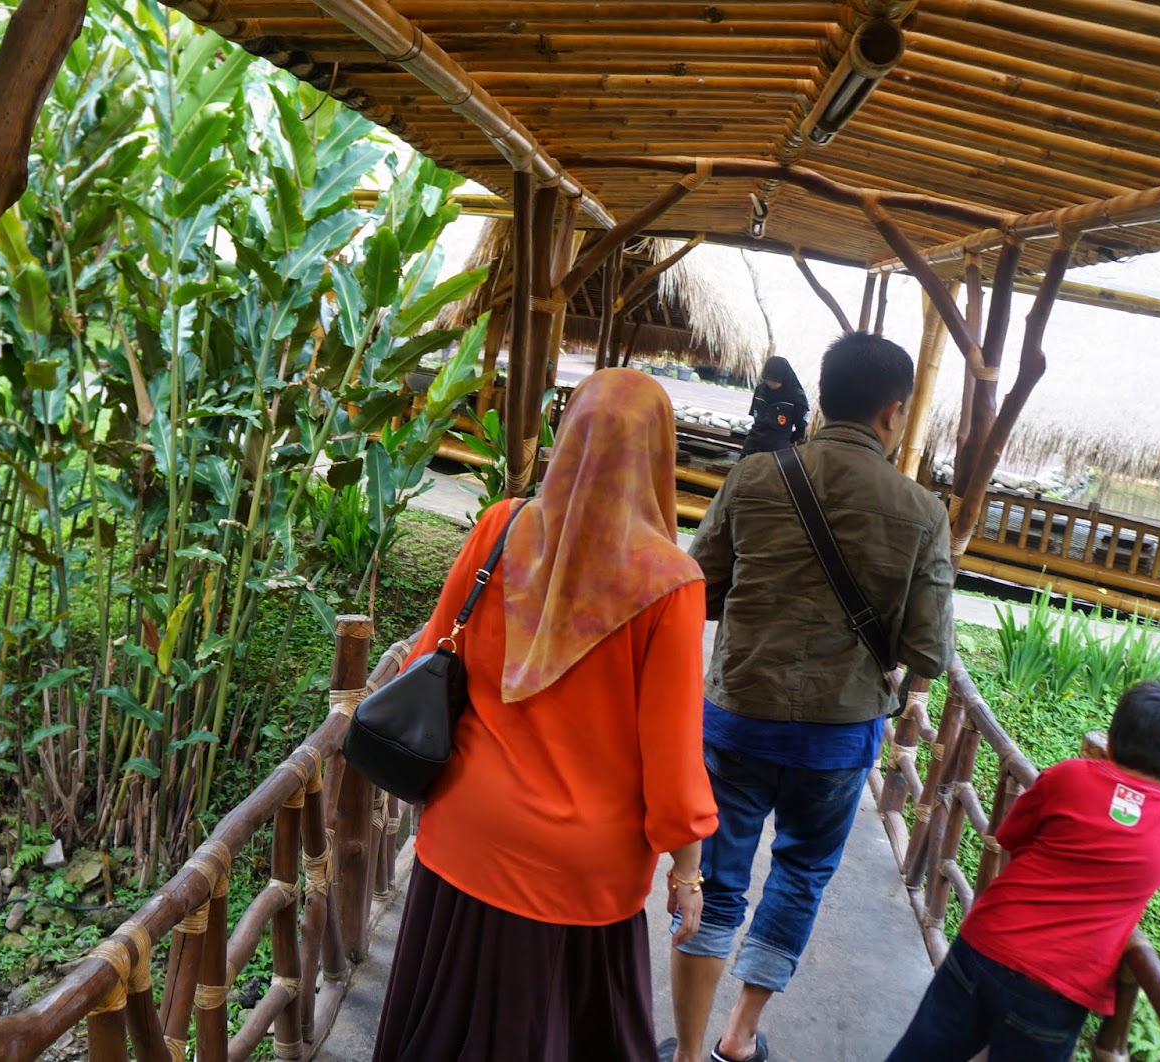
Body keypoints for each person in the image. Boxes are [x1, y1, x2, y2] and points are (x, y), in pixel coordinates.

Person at [372, 367, 719, 1062]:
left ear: (568, 435)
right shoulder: (672, 584)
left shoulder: (502, 527)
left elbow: (433, 652)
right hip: (582, 870)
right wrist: (687, 872)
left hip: (467, 831)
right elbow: (674, 756)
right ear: (659, 453)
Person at [665, 332, 955, 1062]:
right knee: (799, 875)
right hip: (838, 734)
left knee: (716, 878)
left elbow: (699, 590)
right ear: (892, 412)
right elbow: (929, 653)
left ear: (822, 399)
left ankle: (689, 1052)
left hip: (737, 719)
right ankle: (740, 1037)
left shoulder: (755, 477)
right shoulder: (922, 511)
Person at [884, 682, 1160, 1062]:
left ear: (1111, 744)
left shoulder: (1067, 776)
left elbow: (1012, 840)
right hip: (1054, 991)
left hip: (981, 946)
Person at [737, 356, 809, 457]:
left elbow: (800, 429)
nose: (771, 384)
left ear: (784, 378)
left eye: (775, 381)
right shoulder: (760, 390)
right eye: (768, 380)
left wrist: (787, 444)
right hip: (754, 441)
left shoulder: (797, 397)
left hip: (778, 445)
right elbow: (756, 416)